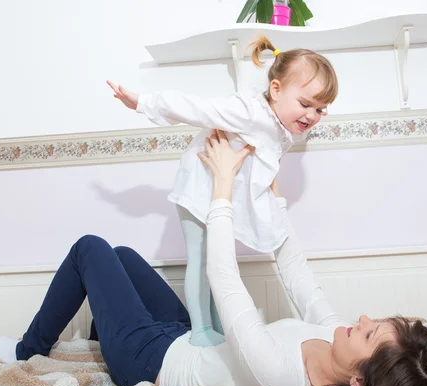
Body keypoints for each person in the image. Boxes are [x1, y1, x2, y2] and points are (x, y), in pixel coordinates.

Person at [0, 130, 427, 386]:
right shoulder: (337, 339)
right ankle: (101, 338)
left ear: (357, 381)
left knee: (90, 247)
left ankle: (28, 351)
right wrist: (273, 197)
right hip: (189, 336)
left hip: (152, 361)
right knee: (123, 258)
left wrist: (223, 186)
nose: (363, 320)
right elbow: (296, 271)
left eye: (371, 334)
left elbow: (224, 279)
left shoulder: (282, 379)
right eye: (377, 323)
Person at [107, 35, 338, 347]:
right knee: (202, 262)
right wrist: (143, 102)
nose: (312, 116)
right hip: (197, 188)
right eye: (306, 104)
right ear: (276, 90)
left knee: (220, 262)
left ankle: (217, 326)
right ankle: (201, 329)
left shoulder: (284, 129)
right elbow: (198, 109)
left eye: (321, 110)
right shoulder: (251, 111)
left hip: (220, 197)